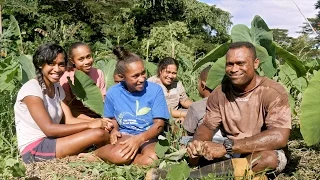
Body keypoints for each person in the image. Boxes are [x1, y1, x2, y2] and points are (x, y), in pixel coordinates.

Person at [187, 42, 291, 175]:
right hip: (230, 149)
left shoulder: (272, 92)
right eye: (230, 64)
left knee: (267, 159)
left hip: (261, 149)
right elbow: (207, 126)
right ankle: (228, 172)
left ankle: (195, 176)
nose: (234, 69)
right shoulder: (220, 93)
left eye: (240, 63)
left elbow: (279, 136)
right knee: (190, 144)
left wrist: (227, 147)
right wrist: (198, 144)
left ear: (255, 63)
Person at [14, 43, 113, 163]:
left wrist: (96, 121)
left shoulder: (56, 87)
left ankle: (96, 154)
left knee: (101, 130)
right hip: (35, 148)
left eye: (61, 64)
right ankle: (101, 155)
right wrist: (89, 125)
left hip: (52, 140)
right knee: (98, 134)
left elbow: (69, 119)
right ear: (40, 64)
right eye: (51, 64)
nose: (57, 69)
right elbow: (49, 129)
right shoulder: (32, 89)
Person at [96, 46, 170, 166]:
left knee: (153, 160)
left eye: (143, 73)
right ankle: (96, 154)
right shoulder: (113, 93)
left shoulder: (155, 90)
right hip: (125, 134)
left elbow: (159, 124)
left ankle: (126, 158)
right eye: (135, 76)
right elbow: (113, 119)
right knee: (121, 155)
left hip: (148, 136)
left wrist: (139, 139)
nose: (141, 79)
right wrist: (114, 130)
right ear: (122, 77)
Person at [60, 42, 106, 120]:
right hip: (77, 118)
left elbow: (102, 101)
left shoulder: (98, 73)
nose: (87, 62)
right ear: (72, 61)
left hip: (98, 115)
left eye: (89, 57)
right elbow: (68, 108)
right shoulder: (66, 77)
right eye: (81, 59)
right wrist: (93, 121)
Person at [180, 66, 224, 145]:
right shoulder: (228, 102)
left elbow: (188, 132)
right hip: (228, 144)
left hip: (205, 145)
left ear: (203, 84)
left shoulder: (196, 107)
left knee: (182, 139)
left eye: (198, 82)